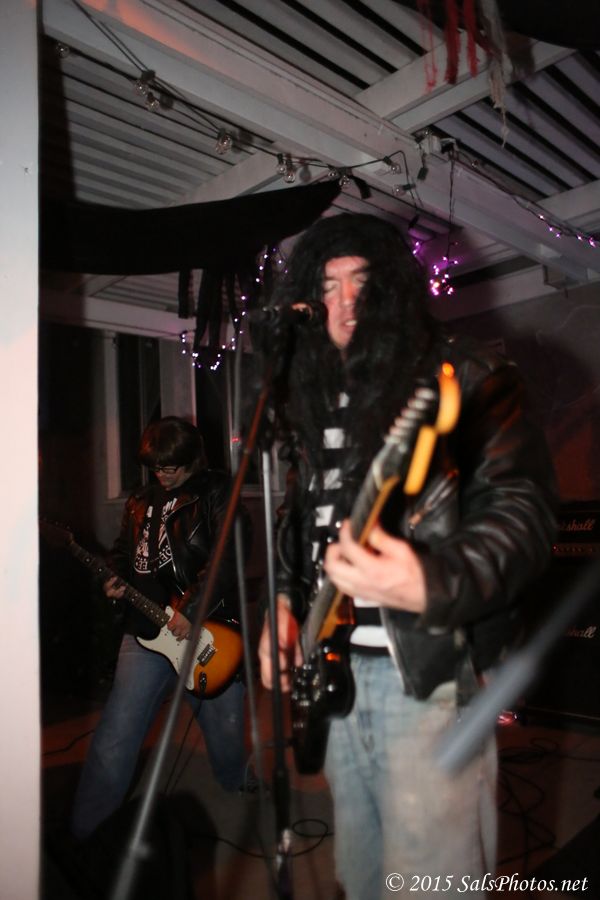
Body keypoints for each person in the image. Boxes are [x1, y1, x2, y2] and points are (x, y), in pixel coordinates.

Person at [257, 213, 557, 899]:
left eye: (361, 283)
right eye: (326, 288)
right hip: (331, 677)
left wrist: (432, 579)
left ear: (392, 288)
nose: (344, 304)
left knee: (431, 884)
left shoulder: (465, 373)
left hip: (428, 677)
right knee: (362, 877)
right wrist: (285, 602)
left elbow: (525, 513)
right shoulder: (313, 395)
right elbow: (302, 522)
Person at [71, 416, 253, 842]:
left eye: (170, 467)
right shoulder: (139, 502)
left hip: (207, 630)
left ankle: (234, 777)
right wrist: (114, 578)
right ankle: (85, 831)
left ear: (192, 460)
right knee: (115, 736)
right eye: (155, 467)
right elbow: (122, 552)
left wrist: (192, 608)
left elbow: (228, 555)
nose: (162, 475)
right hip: (144, 633)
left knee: (226, 730)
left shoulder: (216, 491)